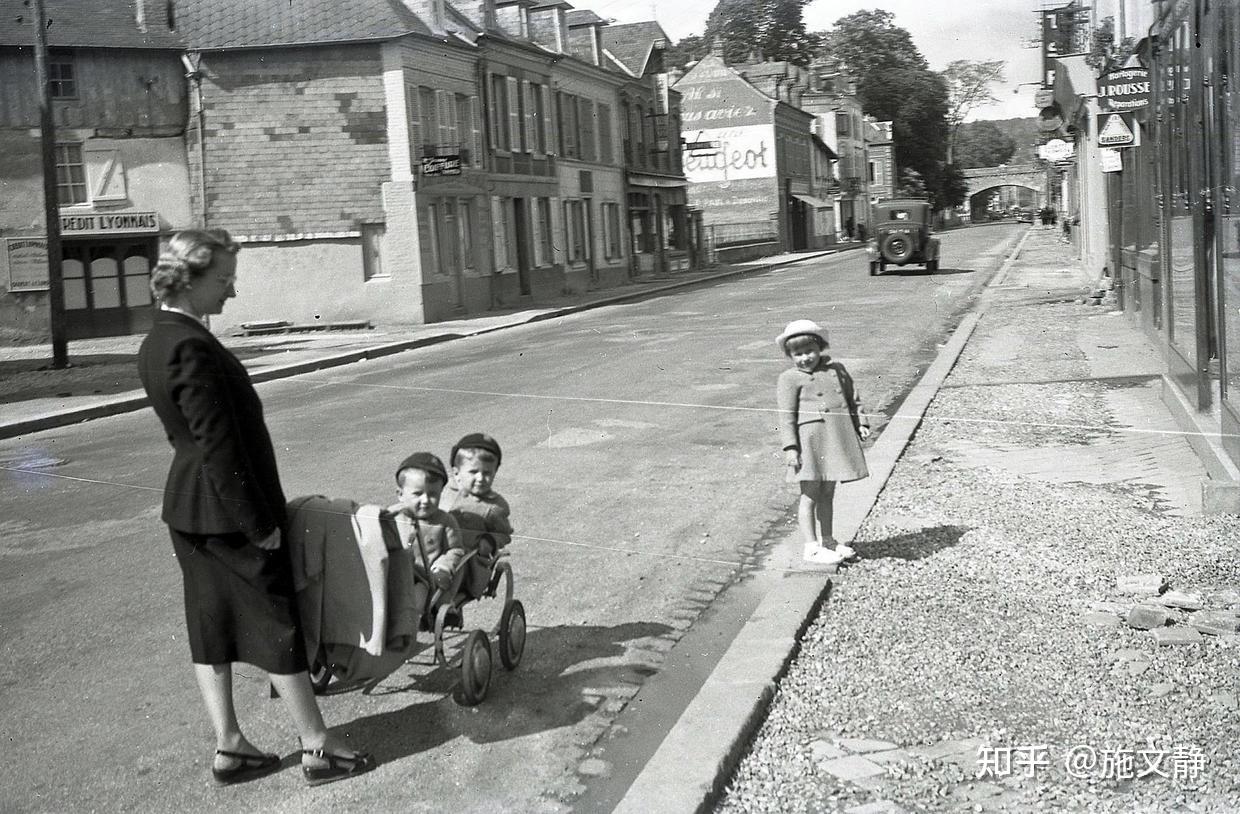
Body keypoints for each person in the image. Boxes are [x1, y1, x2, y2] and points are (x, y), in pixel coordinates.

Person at [138, 228, 375, 788]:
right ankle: (319, 747)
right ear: (190, 280)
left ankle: (230, 746)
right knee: (276, 622)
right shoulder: (191, 346)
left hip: (189, 511)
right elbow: (219, 446)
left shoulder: (158, 338)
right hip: (229, 513)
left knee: (210, 623)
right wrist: (260, 525)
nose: (232, 294)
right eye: (224, 281)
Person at [775, 319, 871, 565]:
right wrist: (791, 448)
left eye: (809, 351)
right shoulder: (789, 378)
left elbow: (853, 398)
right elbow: (786, 417)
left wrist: (861, 422)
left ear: (820, 348)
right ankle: (811, 546)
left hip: (836, 438)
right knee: (809, 494)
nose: (805, 358)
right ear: (790, 355)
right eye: (798, 354)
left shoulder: (835, 370)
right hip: (810, 442)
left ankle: (828, 540)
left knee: (828, 491)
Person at [441, 433, 514, 595]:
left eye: (487, 473)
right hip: (435, 551)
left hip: (469, 564)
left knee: (453, 569)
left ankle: (445, 605)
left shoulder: (494, 506)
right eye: (473, 472)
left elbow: (504, 534)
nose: (481, 478)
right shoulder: (444, 491)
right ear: (456, 472)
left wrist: (489, 541)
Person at [388, 452, 465, 592]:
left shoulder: (445, 521)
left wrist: (442, 568)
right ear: (400, 494)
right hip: (394, 577)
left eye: (433, 494)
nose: (425, 500)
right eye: (417, 494)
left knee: (418, 599)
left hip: (426, 580)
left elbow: (455, 550)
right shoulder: (391, 517)